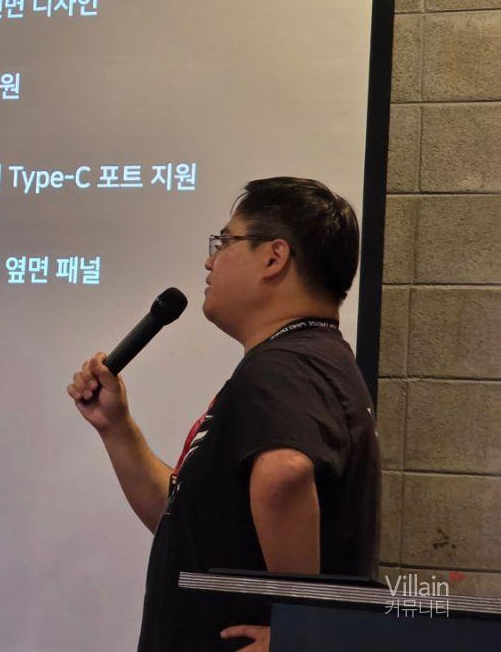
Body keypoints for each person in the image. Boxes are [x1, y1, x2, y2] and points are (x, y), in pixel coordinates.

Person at [68, 177, 380, 652]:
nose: (210, 261)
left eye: (225, 242)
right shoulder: (315, 359)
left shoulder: (281, 367)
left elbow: (284, 474)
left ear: (274, 257)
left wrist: (300, 630)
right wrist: (116, 428)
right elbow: (185, 521)